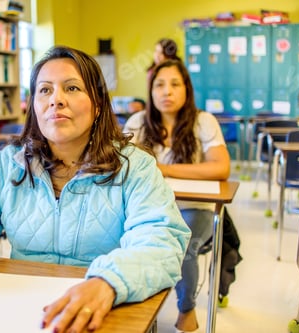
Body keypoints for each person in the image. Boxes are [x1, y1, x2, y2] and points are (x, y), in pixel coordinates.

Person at [0, 45, 191, 333]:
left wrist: (108, 283)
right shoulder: (10, 164)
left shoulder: (134, 167)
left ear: (98, 104)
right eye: (45, 90)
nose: (56, 100)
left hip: (105, 310)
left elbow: (161, 241)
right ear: (34, 106)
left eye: (72, 88)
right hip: (22, 311)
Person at [124, 59, 231, 333]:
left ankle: (187, 308)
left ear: (187, 89)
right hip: (146, 207)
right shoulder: (138, 122)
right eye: (159, 85)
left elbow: (220, 167)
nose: (166, 92)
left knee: (182, 245)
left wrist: (165, 169)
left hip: (195, 207)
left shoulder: (203, 121)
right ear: (150, 91)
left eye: (174, 84)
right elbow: (122, 162)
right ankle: (136, 310)